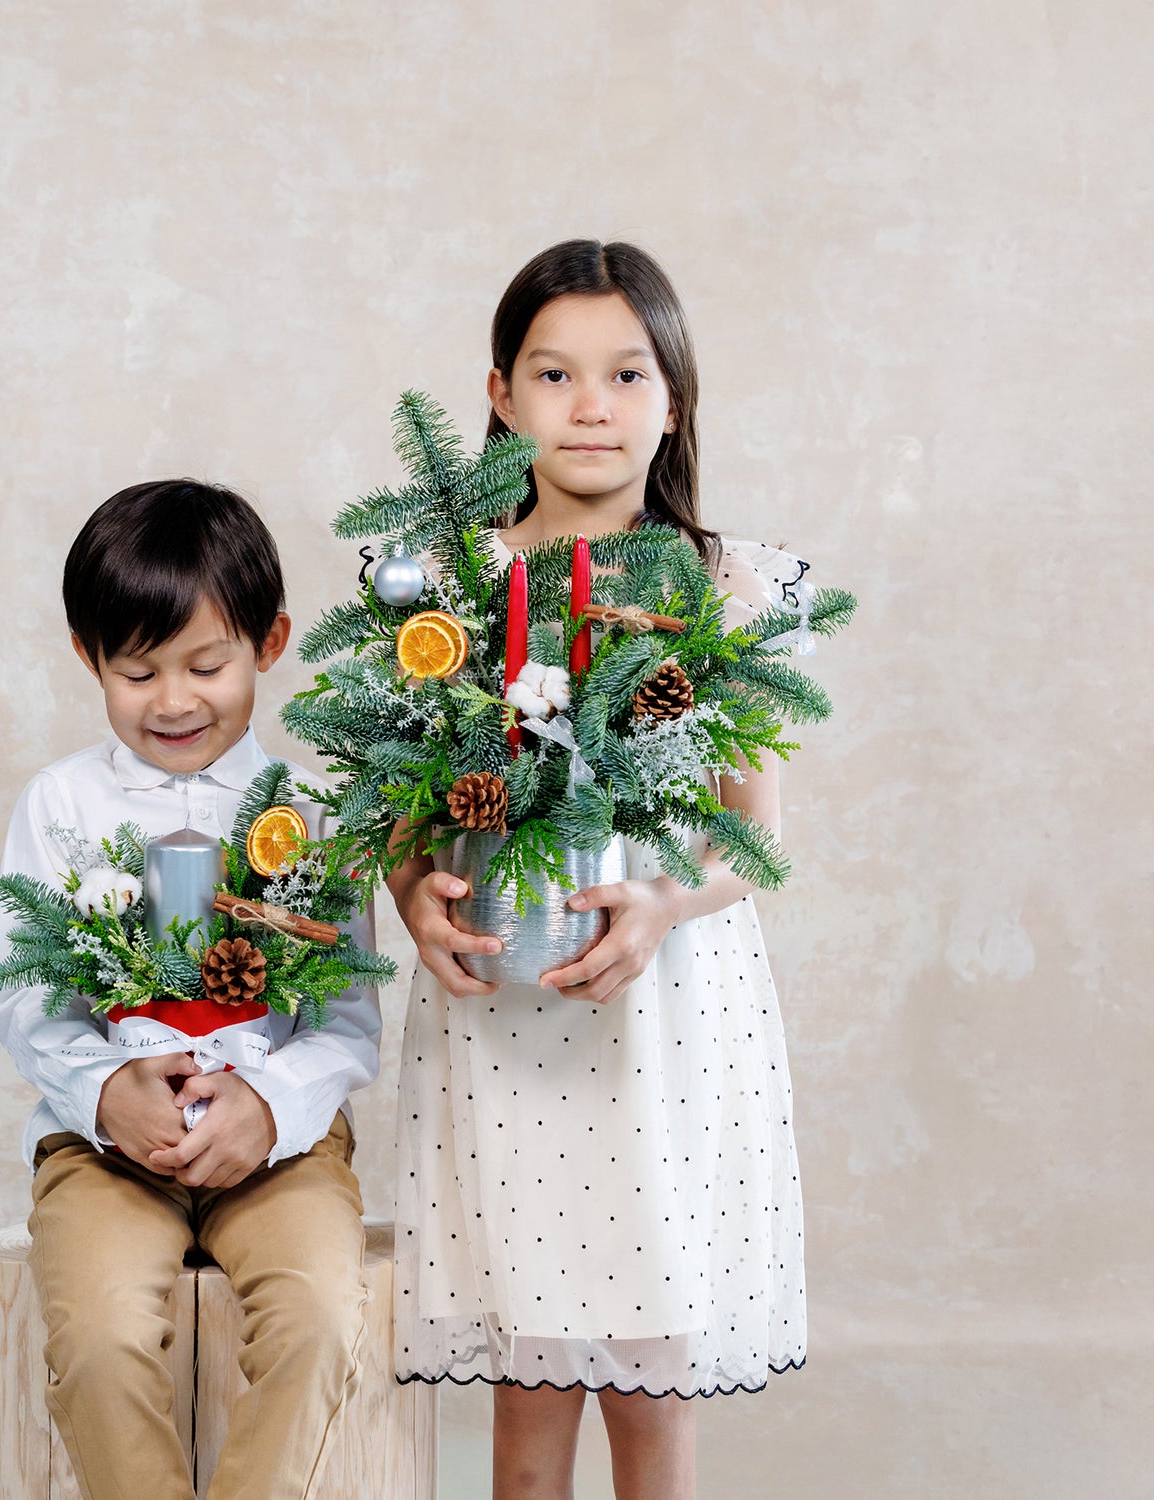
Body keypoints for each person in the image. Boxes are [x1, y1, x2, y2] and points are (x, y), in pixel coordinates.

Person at [388, 241, 813, 1500]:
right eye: (555, 372)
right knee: (528, 1396)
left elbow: (759, 840)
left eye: (626, 374)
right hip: (503, 1014)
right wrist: (415, 895)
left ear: (672, 397)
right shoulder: (445, 587)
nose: (591, 404)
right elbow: (403, 801)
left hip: (663, 1018)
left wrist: (667, 903)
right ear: (500, 394)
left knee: (653, 1383)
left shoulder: (723, 587)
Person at [0, 480, 382, 1500]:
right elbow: (26, 997)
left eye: (207, 665)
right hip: (109, 1151)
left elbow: (346, 1021)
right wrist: (108, 1093)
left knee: (319, 1323)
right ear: (90, 659)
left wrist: (271, 1106)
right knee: (105, 1340)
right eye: (137, 670)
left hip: (278, 1149)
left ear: (269, 641)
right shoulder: (62, 804)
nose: (173, 700)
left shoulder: (314, 810)